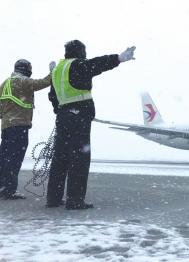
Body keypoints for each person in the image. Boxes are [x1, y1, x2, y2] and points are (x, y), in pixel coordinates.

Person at [46, 40, 136, 210]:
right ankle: (75, 199)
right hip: (79, 116)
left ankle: (53, 199)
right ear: (80, 51)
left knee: (60, 159)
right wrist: (118, 58)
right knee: (79, 158)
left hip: (63, 117)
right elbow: (97, 64)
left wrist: (60, 111)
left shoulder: (57, 70)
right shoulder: (78, 65)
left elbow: (52, 96)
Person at [0, 59, 55, 199]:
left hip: (7, 125)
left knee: (3, 157)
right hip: (19, 126)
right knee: (14, 159)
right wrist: (53, 72)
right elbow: (42, 83)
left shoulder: (5, 83)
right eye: (30, 67)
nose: (31, 70)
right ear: (24, 68)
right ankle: (8, 190)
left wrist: (5, 119)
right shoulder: (22, 81)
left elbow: (1, 105)